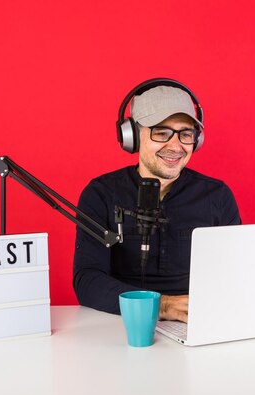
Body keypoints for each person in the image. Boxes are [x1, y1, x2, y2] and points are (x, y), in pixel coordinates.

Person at [73, 79, 241, 323]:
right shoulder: (100, 194)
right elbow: (87, 280)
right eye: (161, 132)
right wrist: (161, 306)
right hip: (120, 323)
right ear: (132, 136)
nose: (176, 146)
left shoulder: (217, 196)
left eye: (185, 134)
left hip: (197, 323)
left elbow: (234, 274)